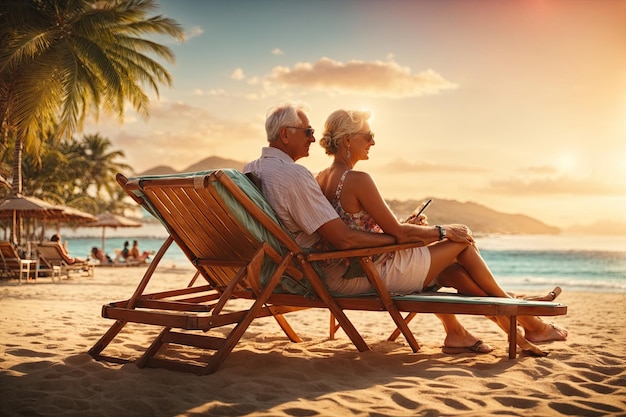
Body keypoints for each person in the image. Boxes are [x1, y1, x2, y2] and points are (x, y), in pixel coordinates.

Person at [244, 102, 565, 354]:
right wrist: (439, 231)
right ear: (346, 141)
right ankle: (518, 312)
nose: (373, 141)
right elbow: (353, 236)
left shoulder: (311, 176)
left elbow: (354, 227)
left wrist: (403, 232)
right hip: (358, 271)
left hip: (342, 265)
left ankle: (462, 332)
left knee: (450, 272)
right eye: (367, 136)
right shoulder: (345, 179)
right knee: (463, 242)